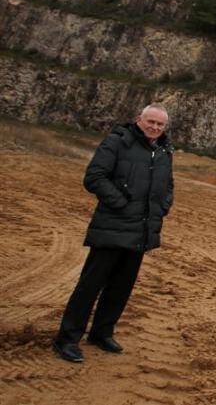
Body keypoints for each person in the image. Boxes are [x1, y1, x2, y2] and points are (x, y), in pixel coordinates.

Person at [52, 104, 174, 363]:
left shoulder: (164, 151)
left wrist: (163, 207)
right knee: (90, 286)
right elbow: (94, 177)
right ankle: (67, 339)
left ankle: (102, 333)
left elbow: (168, 185)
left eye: (160, 124)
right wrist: (120, 203)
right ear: (138, 119)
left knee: (121, 288)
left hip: (141, 231)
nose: (154, 127)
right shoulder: (118, 142)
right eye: (150, 122)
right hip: (112, 227)